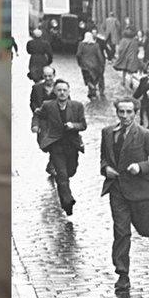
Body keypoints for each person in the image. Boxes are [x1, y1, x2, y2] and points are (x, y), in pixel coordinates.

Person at [100, 97, 149, 291]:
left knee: (143, 229)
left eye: (129, 112)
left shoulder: (145, 135)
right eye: (122, 112)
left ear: (135, 113)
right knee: (121, 232)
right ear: (117, 113)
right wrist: (105, 169)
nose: (125, 116)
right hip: (117, 189)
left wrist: (141, 166)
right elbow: (104, 158)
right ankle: (122, 274)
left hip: (140, 191)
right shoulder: (108, 133)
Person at [32, 80, 87, 215]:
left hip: (72, 145)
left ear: (69, 92)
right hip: (56, 145)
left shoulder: (77, 106)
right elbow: (37, 114)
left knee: (71, 171)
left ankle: (64, 194)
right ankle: (68, 202)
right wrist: (35, 125)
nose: (62, 93)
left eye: (64, 90)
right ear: (55, 92)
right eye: (59, 90)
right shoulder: (48, 105)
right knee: (62, 175)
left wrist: (73, 125)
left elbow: (83, 125)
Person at [76, 32, 106, 98]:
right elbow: (99, 56)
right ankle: (92, 90)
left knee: (87, 79)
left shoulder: (81, 44)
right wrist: (102, 64)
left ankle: (92, 89)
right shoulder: (96, 45)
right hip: (95, 65)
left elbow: (78, 54)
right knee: (94, 79)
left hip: (84, 65)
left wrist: (79, 62)